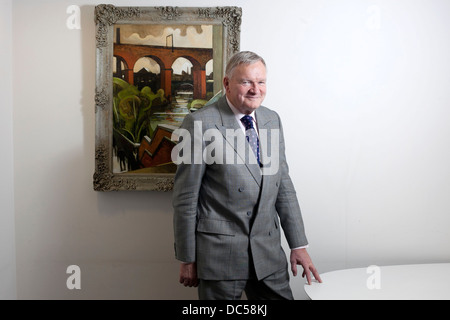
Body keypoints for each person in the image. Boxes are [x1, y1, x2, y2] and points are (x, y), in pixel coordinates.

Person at [172, 51, 321, 300]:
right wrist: (187, 258)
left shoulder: (272, 119)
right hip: (220, 258)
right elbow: (186, 198)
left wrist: (298, 245)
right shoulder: (199, 124)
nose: (255, 89)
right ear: (227, 84)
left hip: (268, 255)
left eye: (261, 82)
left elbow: (283, 186)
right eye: (246, 82)